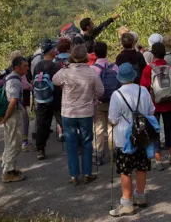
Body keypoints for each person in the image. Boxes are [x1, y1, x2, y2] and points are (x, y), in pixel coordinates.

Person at [107, 62, 155, 217]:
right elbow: (151, 111)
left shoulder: (117, 95)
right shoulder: (143, 91)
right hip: (142, 135)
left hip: (124, 138)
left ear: (119, 78)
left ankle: (127, 202)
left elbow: (113, 119)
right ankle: (140, 195)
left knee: (125, 170)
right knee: (141, 167)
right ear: (134, 76)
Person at [53, 44, 104, 185]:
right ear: (86, 56)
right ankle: (87, 173)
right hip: (86, 111)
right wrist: (93, 96)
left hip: (68, 112)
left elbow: (54, 80)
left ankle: (74, 175)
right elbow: (100, 91)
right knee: (87, 142)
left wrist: (64, 68)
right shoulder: (91, 73)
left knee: (71, 144)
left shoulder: (65, 72)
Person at [140, 42, 171, 168]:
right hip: (170, 103)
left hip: (154, 104)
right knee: (169, 128)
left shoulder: (148, 69)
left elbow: (143, 88)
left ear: (153, 54)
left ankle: (158, 160)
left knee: (155, 130)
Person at [0, 55, 28, 183]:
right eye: (24, 66)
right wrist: (6, 118)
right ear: (17, 67)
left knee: (10, 140)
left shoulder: (10, 77)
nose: (27, 68)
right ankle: (8, 172)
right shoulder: (15, 81)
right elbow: (13, 101)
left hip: (10, 113)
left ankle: (8, 167)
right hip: (12, 114)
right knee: (14, 142)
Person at [91, 41, 118, 165]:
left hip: (98, 102)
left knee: (98, 128)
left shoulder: (93, 69)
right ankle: (114, 152)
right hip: (113, 101)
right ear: (106, 51)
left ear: (95, 53)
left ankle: (98, 154)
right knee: (112, 127)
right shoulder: (114, 67)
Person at [32, 43, 60, 160]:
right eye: (54, 49)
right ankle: (75, 146)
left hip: (41, 98)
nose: (56, 50)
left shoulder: (38, 66)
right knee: (63, 122)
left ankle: (40, 149)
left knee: (42, 124)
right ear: (51, 51)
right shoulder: (55, 66)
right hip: (55, 98)